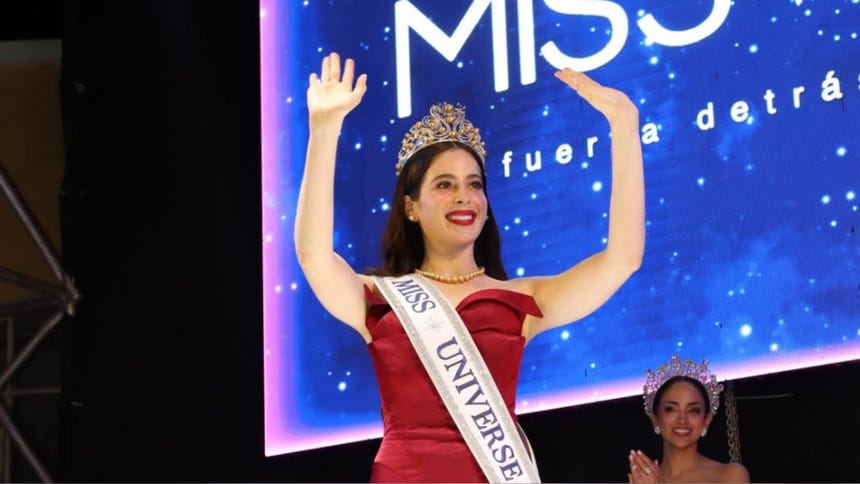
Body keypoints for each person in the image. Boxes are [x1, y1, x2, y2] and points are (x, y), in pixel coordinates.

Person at [295, 51, 645, 483]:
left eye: (474, 185)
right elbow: (313, 255)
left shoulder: (525, 300)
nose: (465, 197)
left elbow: (623, 259)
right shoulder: (379, 300)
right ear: (410, 206)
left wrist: (625, 126)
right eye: (445, 185)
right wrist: (324, 130)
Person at [628, 355, 750, 483]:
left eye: (693, 410)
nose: (682, 420)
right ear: (655, 419)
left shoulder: (730, 475)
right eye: (671, 409)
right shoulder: (643, 480)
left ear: (706, 421)